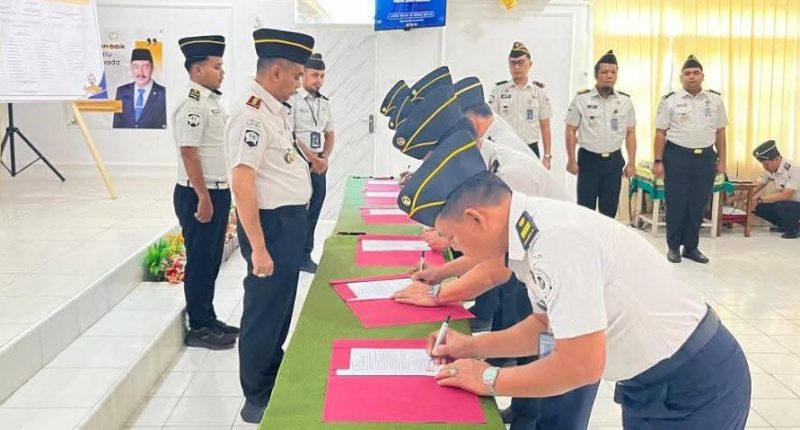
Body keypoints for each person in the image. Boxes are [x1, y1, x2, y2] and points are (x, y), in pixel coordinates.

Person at [396, 133, 751, 430]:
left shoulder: (555, 241)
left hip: (694, 384)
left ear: (476, 218)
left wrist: (488, 379)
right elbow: (545, 326)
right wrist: (471, 347)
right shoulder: (528, 230)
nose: (456, 249)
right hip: (652, 382)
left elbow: (580, 366)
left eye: (453, 237)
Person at [226, 28, 314, 424]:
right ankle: (255, 394)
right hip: (271, 228)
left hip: (288, 225)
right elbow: (242, 183)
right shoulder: (251, 115)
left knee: (280, 307)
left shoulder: (274, 110)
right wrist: (259, 248)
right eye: (295, 75)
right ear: (276, 72)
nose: (298, 84)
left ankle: (272, 373)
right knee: (264, 310)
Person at [172, 35, 238, 350]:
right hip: (199, 193)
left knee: (211, 260)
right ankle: (198, 326)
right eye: (216, 66)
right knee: (200, 261)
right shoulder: (193, 104)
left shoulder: (211, 101)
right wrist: (203, 197)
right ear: (197, 70)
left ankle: (208, 318)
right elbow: (189, 153)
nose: (222, 72)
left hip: (216, 191)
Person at [652, 55, 727, 264]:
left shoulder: (715, 100)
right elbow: (660, 133)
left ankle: (691, 247)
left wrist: (722, 160)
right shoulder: (670, 100)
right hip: (677, 156)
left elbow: (720, 132)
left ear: (702, 76)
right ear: (681, 77)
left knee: (698, 204)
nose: (692, 77)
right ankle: (673, 247)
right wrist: (658, 160)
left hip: (705, 158)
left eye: (696, 73)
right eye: (687, 73)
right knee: (676, 203)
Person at [566, 50, 637, 218]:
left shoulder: (625, 101)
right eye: (604, 72)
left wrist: (632, 162)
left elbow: (631, 133)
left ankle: (605, 237)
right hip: (588, 161)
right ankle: (585, 236)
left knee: (609, 211)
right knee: (585, 210)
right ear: (596, 75)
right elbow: (570, 130)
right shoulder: (582, 99)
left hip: (613, 162)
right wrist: (571, 159)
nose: (609, 76)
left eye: (613, 72)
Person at [290, 53, 335, 273]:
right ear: (303, 75)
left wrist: (324, 158)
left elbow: (330, 134)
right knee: (296, 213)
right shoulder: (292, 99)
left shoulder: (324, 103)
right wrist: (312, 159)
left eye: (322, 76)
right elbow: (290, 135)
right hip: (298, 163)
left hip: (318, 165)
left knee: (314, 211)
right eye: (315, 75)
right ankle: (291, 255)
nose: (319, 80)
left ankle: (305, 256)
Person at [489, 42, 553, 168]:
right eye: (513, 63)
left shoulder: (539, 91)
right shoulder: (498, 90)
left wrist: (547, 156)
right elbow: (490, 123)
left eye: (521, 62)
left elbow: (545, 125)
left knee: (530, 181)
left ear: (530, 64)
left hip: (530, 148)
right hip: (505, 149)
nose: (516, 67)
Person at [745, 140, 800, 238]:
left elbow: (786, 195)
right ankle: (785, 225)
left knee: (780, 205)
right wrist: (732, 199)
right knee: (757, 207)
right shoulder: (770, 170)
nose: (764, 167)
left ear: (777, 159)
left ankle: (795, 229)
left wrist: (760, 199)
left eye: (766, 164)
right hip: (789, 206)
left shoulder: (794, 168)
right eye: (763, 164)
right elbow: (754, 188)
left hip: (796, 205)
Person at [113, 48, 167, 129]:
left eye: (145, 67)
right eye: (136, 67)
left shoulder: (163, 93)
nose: (140, 72)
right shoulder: (121, 91)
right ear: (131, 68)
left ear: (152, 69)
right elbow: (116, 124)